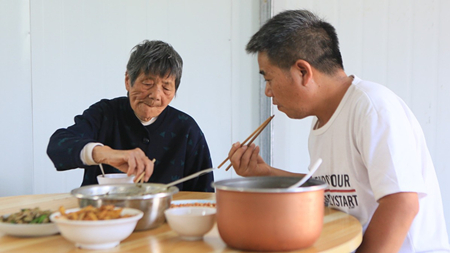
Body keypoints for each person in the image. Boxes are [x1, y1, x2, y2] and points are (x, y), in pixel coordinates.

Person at [227, 9, 450, 252]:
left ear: (303, 71)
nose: (267, 92)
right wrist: (265, 173)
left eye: (268, 79)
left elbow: (402, 203)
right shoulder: (322, 121)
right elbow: (331, 190)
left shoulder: (372, 109)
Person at [47, 40, 214, 192]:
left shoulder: (186, 128)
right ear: (128, 80)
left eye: (166, 87)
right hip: (104, 218)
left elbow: (205, 196)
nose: (156, 95)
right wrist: (106, 154)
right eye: (148, 83)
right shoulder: (105, 114)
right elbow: (58, 146)